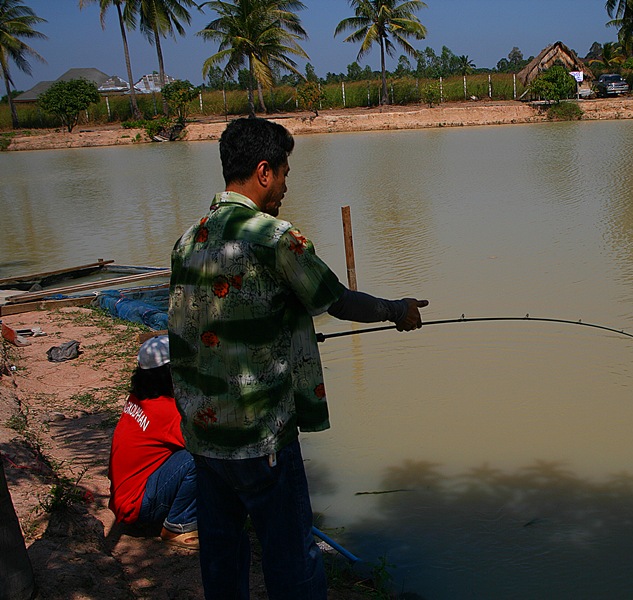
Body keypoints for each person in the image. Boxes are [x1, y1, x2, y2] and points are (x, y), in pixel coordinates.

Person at [168, 116, 428, 599]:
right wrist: (397, 310)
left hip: (204, 435)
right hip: (262, 436)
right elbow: (336, 300)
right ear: (264, 171)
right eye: (285, 173)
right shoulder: (275, 238)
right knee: (292, 558)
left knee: (222, 558)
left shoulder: (189, 241)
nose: (287, 185)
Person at [108, 334, 198, 549]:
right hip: (139, 508)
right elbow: (203, 442)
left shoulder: (139, 399)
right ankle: (179, 524)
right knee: (197, 456)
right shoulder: (165, 412)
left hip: (126, 500)